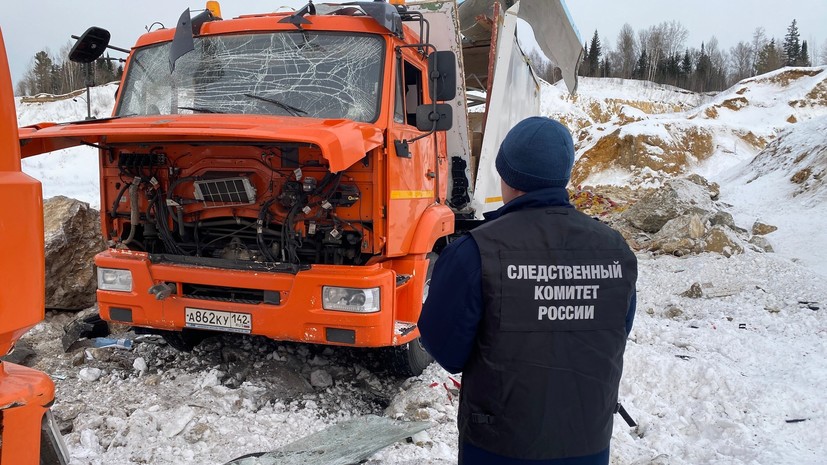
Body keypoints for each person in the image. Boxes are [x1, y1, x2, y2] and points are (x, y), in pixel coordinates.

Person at [419, 116, 638, 465]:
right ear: (564, 175)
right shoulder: (616, 250)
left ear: (506, 175)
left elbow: (445, 350)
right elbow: (614, 332)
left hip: (498, 448)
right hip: (588, 443)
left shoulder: (474, 252)